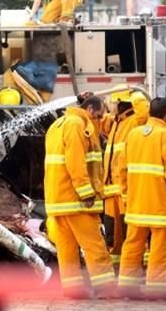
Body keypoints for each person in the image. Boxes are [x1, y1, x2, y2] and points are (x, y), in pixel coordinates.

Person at [43, 95, 116, 298]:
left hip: (57, 200)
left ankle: (73, 289)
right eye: (99, 116)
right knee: (94, 245)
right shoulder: (77, 125)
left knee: (67, 248)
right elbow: (75, 161)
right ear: (90, 110)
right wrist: (86, 192)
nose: (100, 121)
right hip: (75, 200)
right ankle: (106, 288)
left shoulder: (58, 125)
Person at [118, 97, 166, 299]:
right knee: (160, 246)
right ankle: (157, 289)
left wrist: (126, 195)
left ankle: (127, 285)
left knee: (133, 243)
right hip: (160, 204)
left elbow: (121, 169)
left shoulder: (133, 134)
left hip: (136, 203)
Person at [101, 90, 136, 258]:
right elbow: (100, 121)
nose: (111, 106)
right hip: (111, 189)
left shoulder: (134, 122)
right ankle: (115, 261)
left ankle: (134, 261)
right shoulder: (117, 122)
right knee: (112, 231)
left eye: (114, 103)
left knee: (127, 228)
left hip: (124, 188)